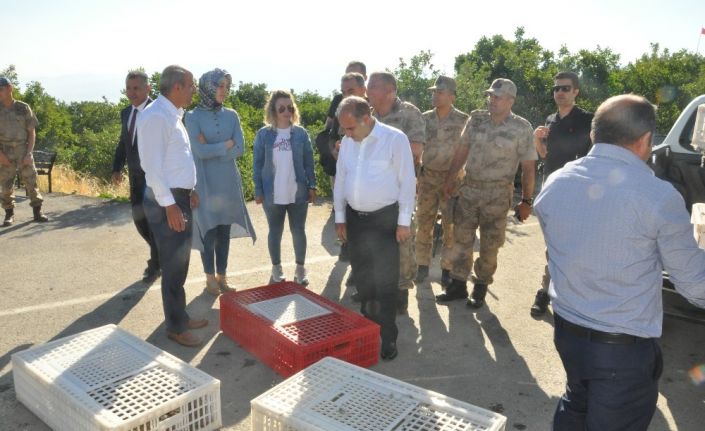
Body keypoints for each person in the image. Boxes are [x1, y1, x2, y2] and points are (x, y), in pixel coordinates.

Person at [534, 94, 705, 431]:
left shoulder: (555, 183)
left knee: (576, 403)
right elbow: (695, 285)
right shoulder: (657, 196)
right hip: (621, 352)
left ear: (594, 136)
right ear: (645, 141)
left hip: (568, 333)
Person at [437, 78, 536, 309]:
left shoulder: (522, 128)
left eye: (497, 97)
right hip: (470, 189)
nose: (491, 100)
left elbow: (529, 167)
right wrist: (450, 179)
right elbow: (462, 150)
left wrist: (527, 201)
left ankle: (480, 287)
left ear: (511, 101)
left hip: (498, 194)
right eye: (490, 95)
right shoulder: (477, 119)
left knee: (490, 244)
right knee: (462, 239)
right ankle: (458, 284)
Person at [334, 96, 415, 361]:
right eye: (344, 129)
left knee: (386, 283)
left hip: (385, 221)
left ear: (366, 119)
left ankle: (388, 337)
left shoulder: (394, 139)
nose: (346, 134)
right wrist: (340, 217)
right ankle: (368, 332)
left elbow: (407, 181)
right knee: (364, 280)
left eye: (350, 128)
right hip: (356, 221)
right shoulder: (347, 142)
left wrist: (404, 221)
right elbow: (341, 179)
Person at [137, 65, 208, 347]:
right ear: (177, 87)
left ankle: (180, 315)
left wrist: (187, 191)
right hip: (164, 200)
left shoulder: (172, 115)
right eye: (190, 86)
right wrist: (170, 205)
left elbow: (174, 161)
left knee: (180, 263)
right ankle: (176, 327)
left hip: (176, 197)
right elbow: (152, 169)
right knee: (172, 264)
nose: (193, 91)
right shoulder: (156, 117)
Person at [185, 68, 256, 296]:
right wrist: (225, 145)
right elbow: (199, 152)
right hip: (204, 183)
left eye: (227, 86)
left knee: (224, 231)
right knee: (208, 231)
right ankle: (209, 279)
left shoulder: (232, 115)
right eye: (220, 86)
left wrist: (213, 147)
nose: (224, 91)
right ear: (208, 86)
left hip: (227, 183)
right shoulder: (192, 117)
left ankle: (222, 277)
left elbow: (240, 148)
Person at [530, 71, 593, 316]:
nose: (560, 92)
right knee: (552, 244)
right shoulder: (551, 120)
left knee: (574, 245)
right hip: (553, 189)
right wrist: (537, 140)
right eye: (556, 88)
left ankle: (559, 294)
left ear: (576, 91)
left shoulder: (588, 120)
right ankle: (547, 290)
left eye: (565, 88)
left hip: (578, 192)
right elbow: (545, 155)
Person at [367, 71, 425, 313]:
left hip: (400, 190)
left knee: (401, 242)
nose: (367, 91)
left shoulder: (409, 114)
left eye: (373, 87)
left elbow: (416, 150)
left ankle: (401, 292)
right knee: (374, 243)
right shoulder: (367, 116)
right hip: (372, 192)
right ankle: (375, 290)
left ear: (390, 91)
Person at [253, 90, 316, 285]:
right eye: (281, 108)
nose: (286, 111)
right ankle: (276, 267)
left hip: (297, 192)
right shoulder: (264, 135)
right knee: (275, 230)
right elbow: (258, 163)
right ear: (273, 110)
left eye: (290, 107)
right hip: (272, 193)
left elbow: (308, 162)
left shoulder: (300, 133)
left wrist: (312, 185)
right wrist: (258, 190)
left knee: (298, 230)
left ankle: (300, 268)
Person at [416, 76, 469, 285]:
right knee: (424, 223)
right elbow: (418, 147)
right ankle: (422, 266)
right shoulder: (424, 118)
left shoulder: (463, 120)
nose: (434, 95)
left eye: (439, 92)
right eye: (433, 92)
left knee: (451, 227)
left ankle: (447, 268)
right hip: (428, 177)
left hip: (452, 179)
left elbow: (467, 150)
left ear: (452, 96)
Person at [111, 71, 160, 283]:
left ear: (148, 88)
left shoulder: (157, 111)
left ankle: (156, 263)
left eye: (136, 88)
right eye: (128, 88)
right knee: (140, 222)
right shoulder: (125, 113)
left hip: (154, 180)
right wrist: (116, 168)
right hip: (135, 179)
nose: (131, 93)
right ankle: (160, 255)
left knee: (154, 222)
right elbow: (124, 143)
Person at [0, 76, 49, 226]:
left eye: (0, 89)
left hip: (23, 149)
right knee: (6, 184)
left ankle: (37, 211)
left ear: (9, 89)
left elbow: (31, 132)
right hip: (5, 149)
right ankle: (9, 214)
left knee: (31, 181)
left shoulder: (23, 107)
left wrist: (28, 153)